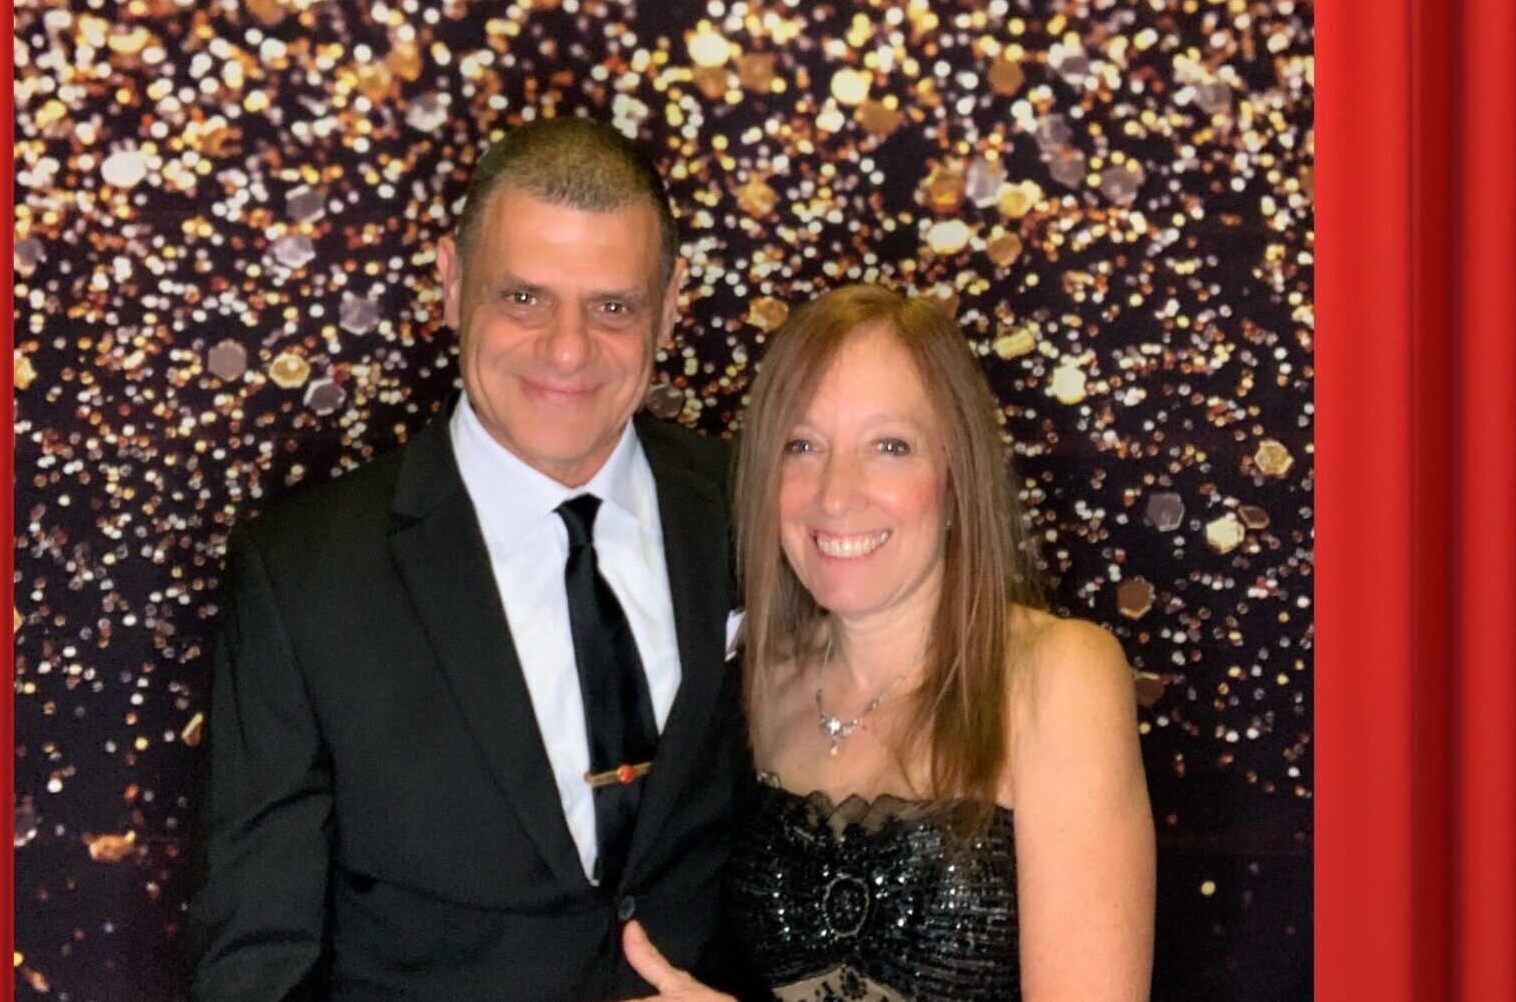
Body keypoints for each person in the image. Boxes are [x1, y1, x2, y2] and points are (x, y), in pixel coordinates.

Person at [184, 117, 753, 1002]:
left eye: (612, 306)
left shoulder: (761, 506)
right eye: (523, 297)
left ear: (672, 302)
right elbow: (258, 967)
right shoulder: (300, 575)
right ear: (450, 285)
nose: (567, 349)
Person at [611, 284, 1155, 1002]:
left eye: (889, 447)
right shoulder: (756, 683)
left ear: (956, 477)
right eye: (802, 446)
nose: (835, 494)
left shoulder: (1059, 676)